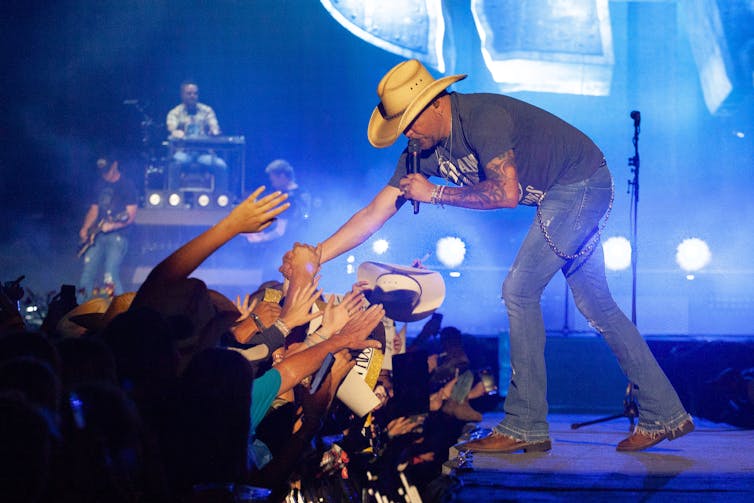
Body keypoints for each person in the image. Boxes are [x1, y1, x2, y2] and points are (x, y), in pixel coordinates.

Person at [311, 59, 694, 453]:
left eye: (411, 120)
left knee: (519, 291)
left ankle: (525, 425)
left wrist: (436, 193)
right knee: (597, 305)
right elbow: (375, 213)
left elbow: (506, 194)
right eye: (400, 125)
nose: (407, 132)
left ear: (437, 102)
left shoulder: (482, 118)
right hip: (563, 197)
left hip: (580, 185)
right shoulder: (420, 151)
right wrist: (317, 255)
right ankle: (665, 413)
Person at [78, 157, 138, 300]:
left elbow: (130, 216)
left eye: (107, 170)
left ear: (115, 165)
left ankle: (119, 311)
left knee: (110, 273)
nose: (104, 174)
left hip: (118, 236)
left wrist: (113, 226)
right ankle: (80, 308)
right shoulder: (99, 184)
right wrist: (85, 228)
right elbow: (94, 209)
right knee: (87, 272)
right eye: (102, 171)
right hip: (97, 236)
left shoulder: (127, 186)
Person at [245, 159, 312, 278]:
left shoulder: (287, 198)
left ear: (282, 176)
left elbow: (280, 231)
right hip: (303, 249)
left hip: (282, 251)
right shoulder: (304, 193)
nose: (272, 183)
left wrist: (261, 238)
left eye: (273, 179)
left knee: (271, 284)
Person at [166, 80, 228, 194]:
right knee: (174, 164)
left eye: (195, 93)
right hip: (184, 153)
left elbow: (214, 126)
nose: (192, 96)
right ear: (182, 95)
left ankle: (221, 199)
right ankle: (173, 198)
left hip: (204, 153)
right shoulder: (174, 112)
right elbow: (171, 127)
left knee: (221, 166)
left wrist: (214, 131)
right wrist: (175, 132)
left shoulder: (207, 110)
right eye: (189, 93)